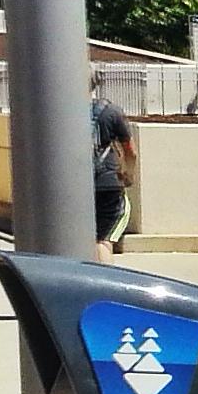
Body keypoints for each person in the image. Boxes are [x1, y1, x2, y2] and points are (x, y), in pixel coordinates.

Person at [89, 77, 135, 259]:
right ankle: (103, 274)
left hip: (76, 184)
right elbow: (130, 150)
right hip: (108, 181)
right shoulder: (111, 112)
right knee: (103, 240)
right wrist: (128, 174)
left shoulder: (63, 112)